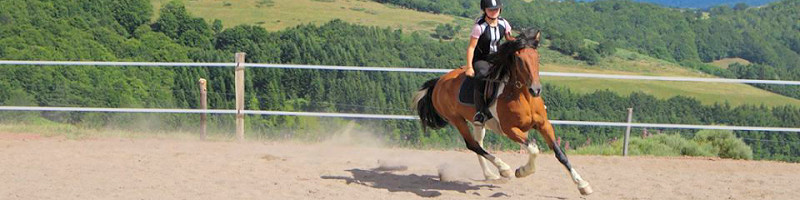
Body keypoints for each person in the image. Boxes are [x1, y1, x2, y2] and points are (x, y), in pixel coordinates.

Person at [465, 0, 514, 125]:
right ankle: (480, 111)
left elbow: (509, 39)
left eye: (496, 9)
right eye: (491, 9)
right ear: (485, 10)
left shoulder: (504, 23)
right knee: (482, 75)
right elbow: (471, 47)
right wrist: (469, 67)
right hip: (482, 59)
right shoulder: (479, 27)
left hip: (497, 58)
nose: (494, 12)